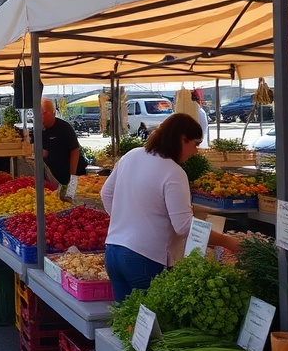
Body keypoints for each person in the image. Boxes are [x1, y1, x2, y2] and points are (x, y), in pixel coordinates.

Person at [100, 112, 241, 301]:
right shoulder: (174, 172)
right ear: (183, 139)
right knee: (151, 317)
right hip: (146, 258)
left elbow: (106, 194)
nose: (196, 151)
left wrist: (126, 221)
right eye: (195, 144)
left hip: (113, 251)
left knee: (125, 316)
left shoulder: (131, 155)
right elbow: (184, 226)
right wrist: (227, 241)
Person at [40, 98, 81, 190]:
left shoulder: (64, 128)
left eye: (40, 114)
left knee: (67, 197)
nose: (37, 118)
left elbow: (75, 151)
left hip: (64, 175)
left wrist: (72, 176)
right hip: (47, 177)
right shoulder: (38, 129)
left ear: (48, 113)